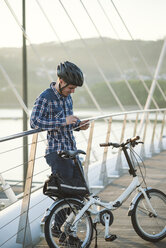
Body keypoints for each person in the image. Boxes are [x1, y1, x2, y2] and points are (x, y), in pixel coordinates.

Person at [30, 61, 89, 243]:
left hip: (71, 151)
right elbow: (35, 123)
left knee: (80, 193)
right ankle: (61, 231)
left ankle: (62, 230)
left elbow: (66, 124)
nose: (73, 91)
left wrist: (78, 125)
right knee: (68, 194)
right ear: (61, 81)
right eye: (71, 87)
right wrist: (63, 121)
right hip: (56, 152)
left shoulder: (68, 97)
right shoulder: (46, 97)